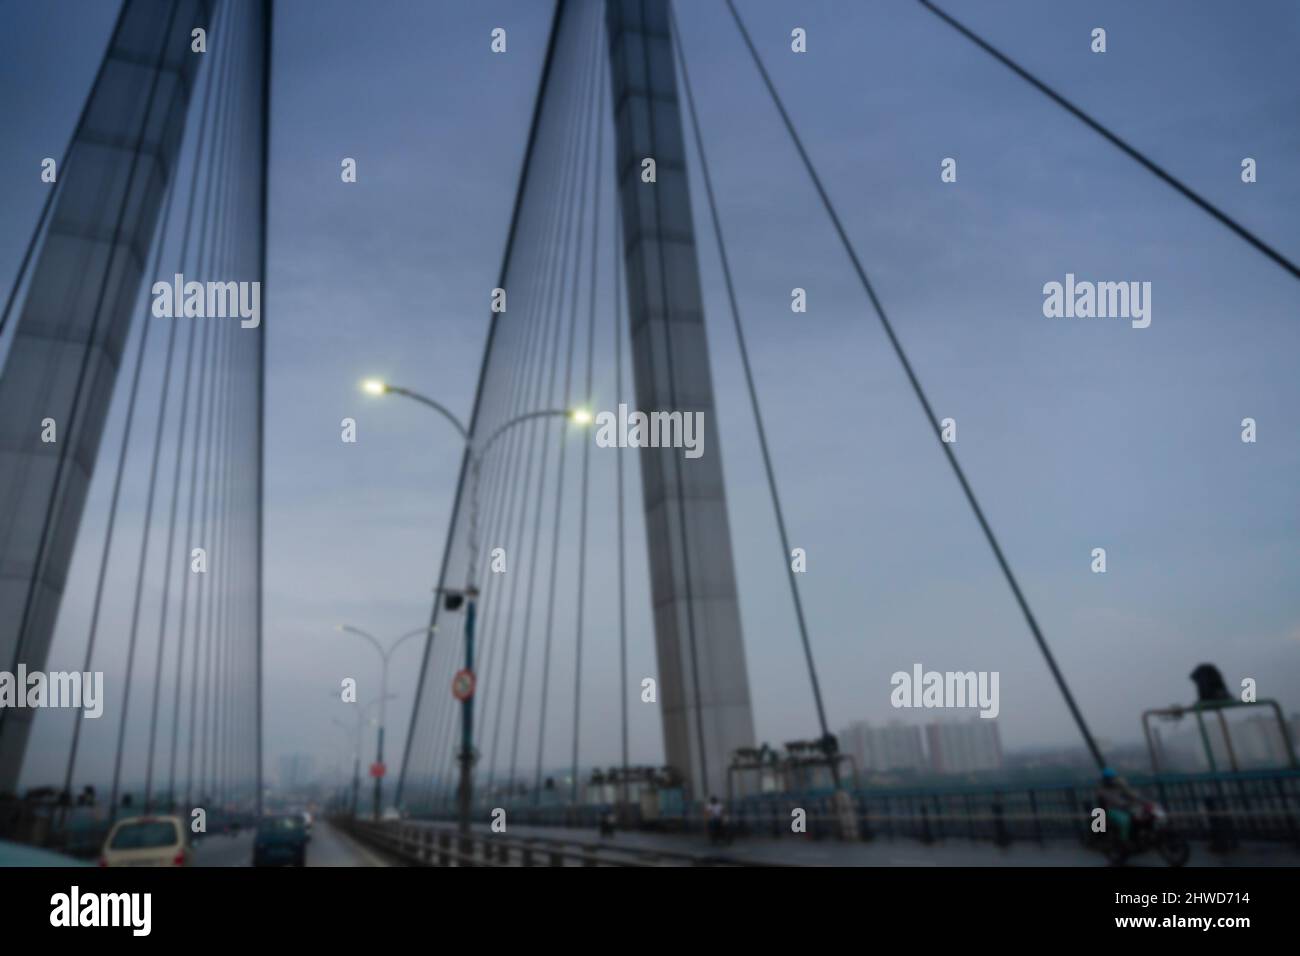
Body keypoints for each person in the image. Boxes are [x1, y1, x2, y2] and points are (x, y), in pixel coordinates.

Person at [1097, 768, 1144, 845]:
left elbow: (1130, 793)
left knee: (1140, 817)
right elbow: (1111, 799)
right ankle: (1123, 840)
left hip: (1125, 807)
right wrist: (1124, 804)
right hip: (1112, 809)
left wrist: (1140, 799)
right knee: (1124, 821)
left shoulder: (1119, 785)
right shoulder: (1102, 788)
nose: (1112, 780)